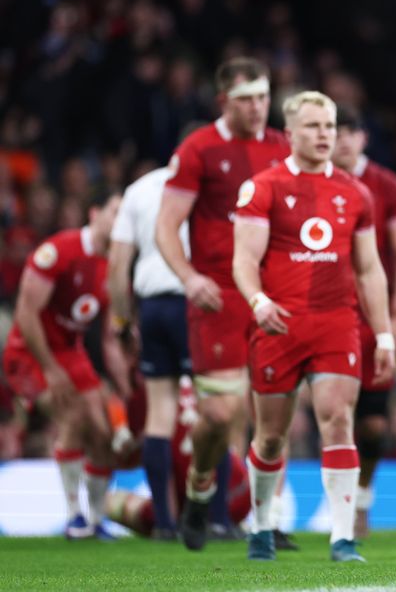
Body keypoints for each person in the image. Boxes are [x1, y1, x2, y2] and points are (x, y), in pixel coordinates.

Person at [233, 91, 395, 562]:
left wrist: (384, 333)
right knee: (270, 436)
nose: (325, 134)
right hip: (278, 325)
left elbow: (369, 269)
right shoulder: (263, 188)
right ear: (290, 133)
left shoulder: (355, 192)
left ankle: (342, 538)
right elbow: (244, 260)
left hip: (336, 325)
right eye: (313, 126)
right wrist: (258, 301)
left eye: (329, 126)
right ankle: (262, 524)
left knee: (339, 420)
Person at [155, 57, 289, 550]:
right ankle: (200, 484)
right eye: (245, 99)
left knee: (274, 411)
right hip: (217, 297)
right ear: (223, 102)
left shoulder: (281, 147)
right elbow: (166, 226)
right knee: (219, 413)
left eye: (262, 97)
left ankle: (264, 519)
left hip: (272, 295)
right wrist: (189, 278)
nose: (257, 107)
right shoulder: (199, 149)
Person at [2, 190, 127, 540]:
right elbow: (26, 314)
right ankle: (74, 517)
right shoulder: (59, 251)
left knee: (103, 432)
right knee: (73, 415)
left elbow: (109, 338)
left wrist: (124, 385)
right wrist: (50, 368)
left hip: (71, 354)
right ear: (94, 213)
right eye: (115, 212)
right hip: (29, 353)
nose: (121, 221)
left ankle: (97, 519)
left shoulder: (114, 267)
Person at [331, 106, 396, 539]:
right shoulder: (312, 183)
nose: (342, 140)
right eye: (335, 132)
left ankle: (362, 500)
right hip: (326, 316)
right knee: (333, 414)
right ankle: (337, 509)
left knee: (373, 425)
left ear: (364, 138)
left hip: (371, 320)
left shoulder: (387, 186)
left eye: (350, 131)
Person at [107, 165, 192, 540]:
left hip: (152, 306)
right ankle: (218, 516)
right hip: (196, 301)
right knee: (216, 408)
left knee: (160, 415)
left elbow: (117, 267)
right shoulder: (208, 181)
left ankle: (165, 523)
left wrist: (123, 323)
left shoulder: (138, 189)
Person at [106, 378, 252, 537]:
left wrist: (167, 519)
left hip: (191, 497)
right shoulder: (199, 380)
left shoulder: (145, 392)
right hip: (243, 495)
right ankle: (221, 521)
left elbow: (131, 457)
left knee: (110, 501)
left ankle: (165, 524)